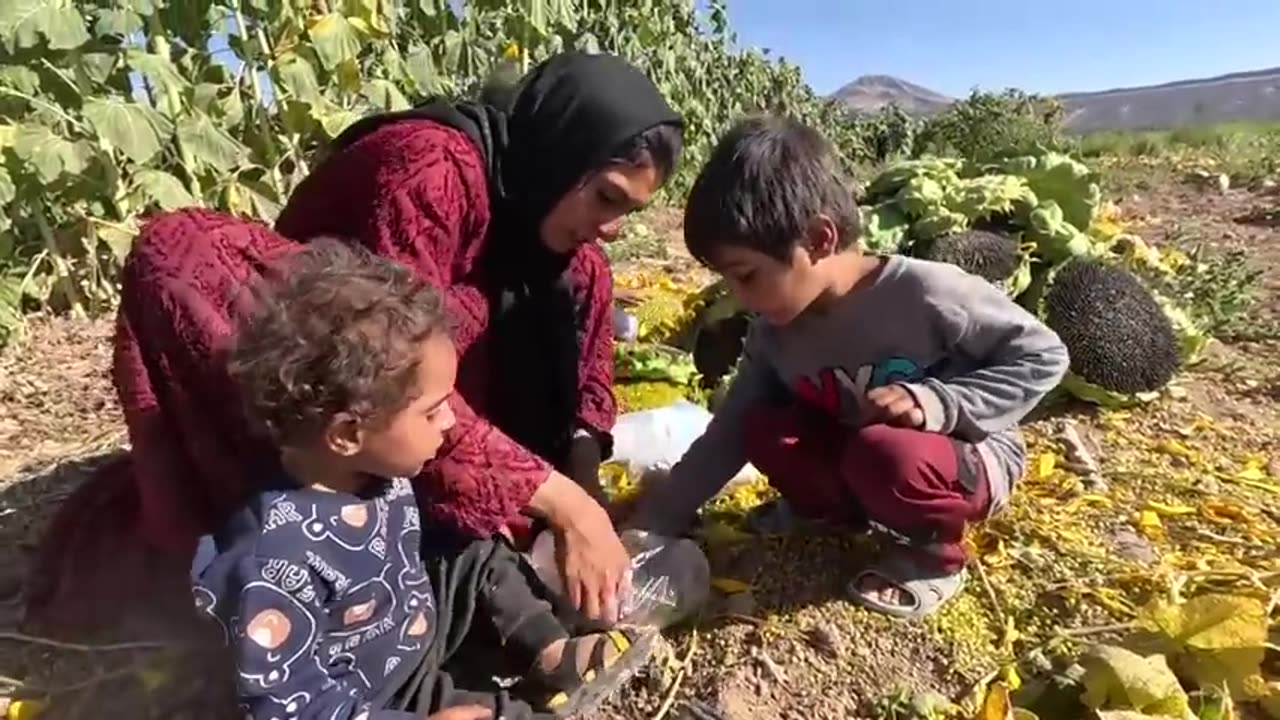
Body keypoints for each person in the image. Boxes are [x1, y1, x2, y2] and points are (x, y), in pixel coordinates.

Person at [23, 51, 683, 637]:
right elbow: (390, 375)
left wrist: (584, 497)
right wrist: (560, 507)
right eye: (605, 198)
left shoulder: (574, 257)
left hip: (427, 415)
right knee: (183, 252)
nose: (613, 229)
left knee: (580, 280)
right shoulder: (429, 172)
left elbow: (590, 390)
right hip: (341, 402)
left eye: (628, 211)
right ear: (559, 153)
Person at [626, 115, 1069, 618]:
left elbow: (1044, 356)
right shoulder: (775, 331)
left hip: (963, 460)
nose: (738, 297)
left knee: (885, 453)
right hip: (859, 456)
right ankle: (837, 516)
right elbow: (729, 431)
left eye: (746, 276)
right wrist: (660, 515)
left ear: (818, 239)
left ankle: (934, 557)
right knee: (763, 428)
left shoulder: (929, 294)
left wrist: (940, 402)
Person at [197, 239, 653, 720]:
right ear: (349, 432)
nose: (451, 423)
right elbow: (285, 707)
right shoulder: (272, 563)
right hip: (370, 701)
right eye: (432, 411)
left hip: (411, 640)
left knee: (476, 556)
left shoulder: (378, 472)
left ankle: (550, 651)